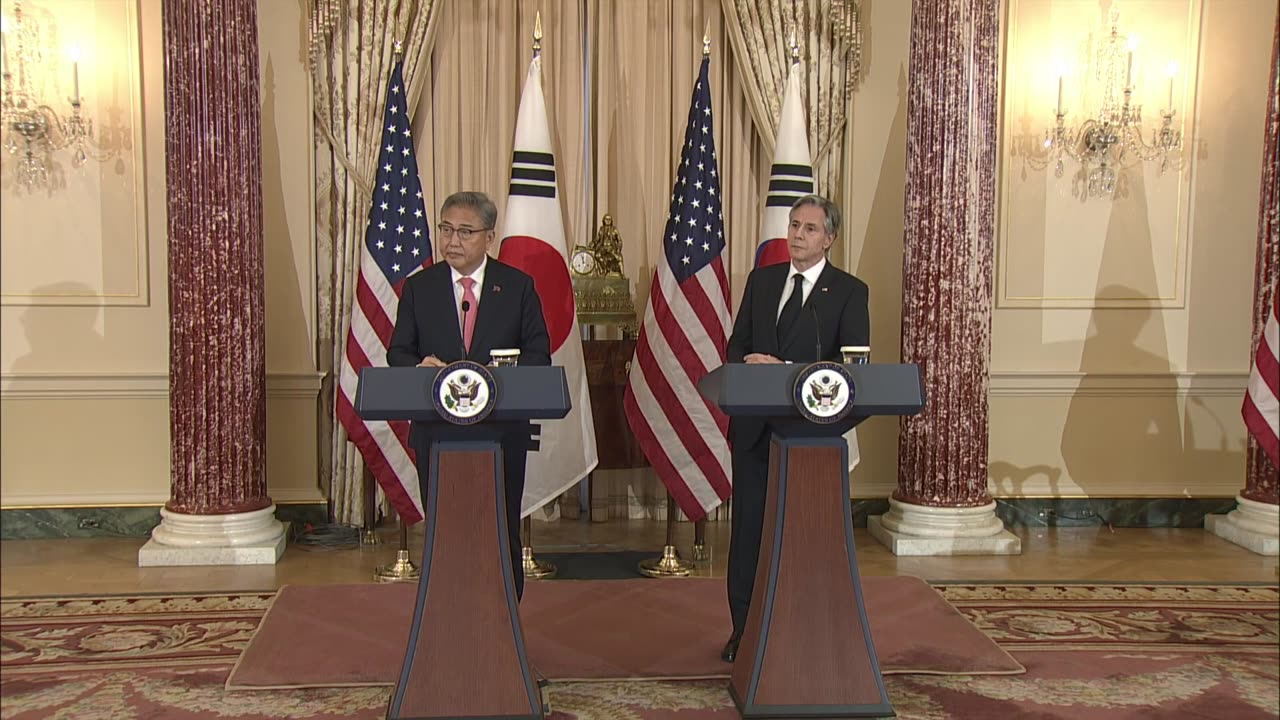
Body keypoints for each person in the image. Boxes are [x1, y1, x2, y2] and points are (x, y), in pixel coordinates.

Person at [721, 194, 870, 662]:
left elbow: (856, 371)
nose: (798, 235)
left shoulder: (849, 291)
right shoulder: (762, 282)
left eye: (809, 229)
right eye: (794, 225)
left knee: (806, 537)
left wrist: (784, 368)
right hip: (754, 434)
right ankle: (744, 631)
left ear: (829, 238)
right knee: (749, 536)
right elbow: (736, 348)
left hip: (813, 439)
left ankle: (806, 629)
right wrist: (752, 366)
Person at [387, 190, 551, 600]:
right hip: (436, 434)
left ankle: (505, 618)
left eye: (464, 231)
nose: (451, 241)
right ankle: (445, 615)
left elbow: (538, 355)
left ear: (489, 237)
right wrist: (418, 369)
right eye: (445, 229)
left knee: (500, 528)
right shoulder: (419, 288)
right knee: (445, 530)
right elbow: (397, 352)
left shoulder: (516, 288)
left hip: (502, 435)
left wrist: (503, 376)